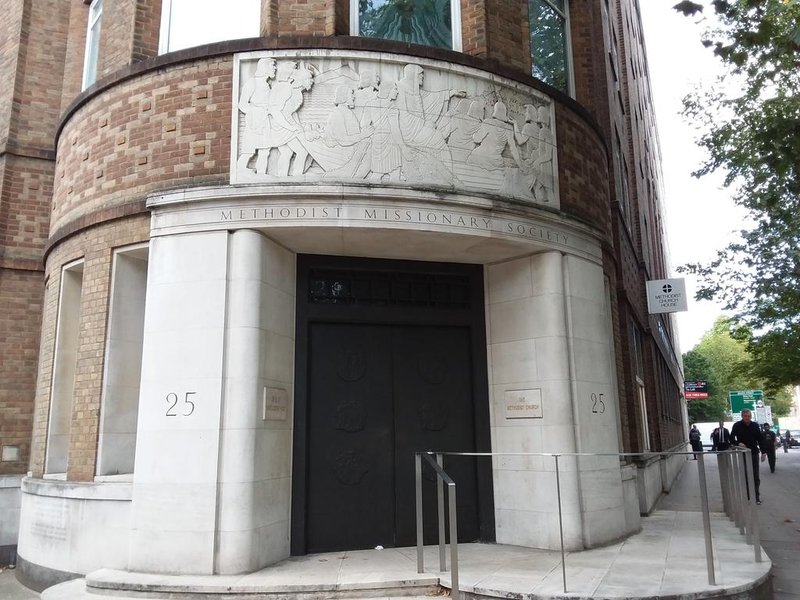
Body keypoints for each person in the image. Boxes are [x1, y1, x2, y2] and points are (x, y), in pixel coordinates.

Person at [730, 409, 767, 504]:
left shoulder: (754, 425)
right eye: (746, 416)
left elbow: (760, 439)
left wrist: (763, 452)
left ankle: (756, 497)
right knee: (746, 474)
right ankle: (747, 497)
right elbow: (731, 438)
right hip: (743, 452)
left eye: (749, 416)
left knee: (755, 475)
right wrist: (738, 443)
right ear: (742, 416)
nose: (747, 418)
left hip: (754, 452)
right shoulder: (737, 426)